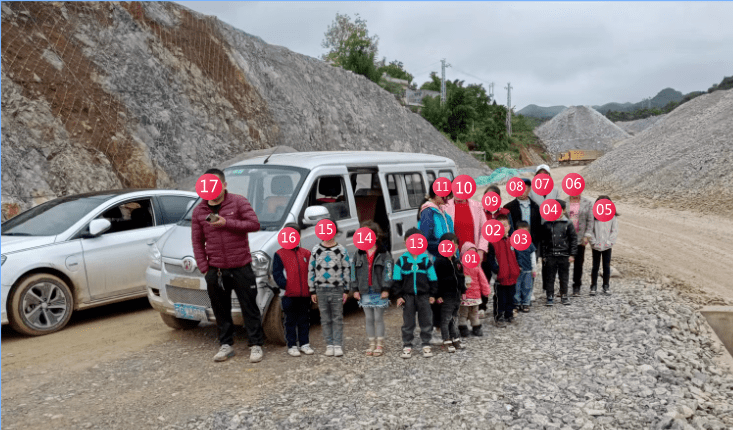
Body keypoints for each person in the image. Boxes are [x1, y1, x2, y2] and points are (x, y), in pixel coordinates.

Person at [191, 168, 265, 363]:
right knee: (220, 310)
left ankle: (256, 344)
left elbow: (254, 224)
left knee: (249, 307)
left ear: (224, 185)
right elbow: (197, 242)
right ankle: (226, 345)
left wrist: (227, 222)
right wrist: (205, 268)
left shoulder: (238, 201)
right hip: (216, 269)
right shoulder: (199, 210)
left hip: (241, 265)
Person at [392, 227, 438, 359]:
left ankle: (426, 343)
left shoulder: (425, 261)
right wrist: (399, 295)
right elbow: (396, 280)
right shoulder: (401, 261)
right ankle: (407, 344)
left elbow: (433, 278)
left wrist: (433, 295)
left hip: (424, 296)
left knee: (426, 320)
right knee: (408, 322)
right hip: (408, 297)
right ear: (405, 243)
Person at [417, 182, 454, 345]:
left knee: (442, 294)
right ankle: (430, 330)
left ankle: (440, 327)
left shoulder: (442, 211)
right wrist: (442, 249)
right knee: (433, 294)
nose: (446, 197)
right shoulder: (428, 212)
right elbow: (425, 239)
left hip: (444, 258)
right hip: (433, 259)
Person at [350, 221, 393, 357]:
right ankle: (371, 343)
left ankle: (380, 343)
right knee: (368, 318)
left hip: (379, 290)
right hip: (364, 290)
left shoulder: (384, 253)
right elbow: (353, 272)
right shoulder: (358, 254)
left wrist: (386, 288)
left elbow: (389, 271)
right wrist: (355, 289)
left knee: (378, 317)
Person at [308, 220, 350, 357]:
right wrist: (312, 289)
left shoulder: (341, 250)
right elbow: (311, 270)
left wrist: (346, 289)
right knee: (325, 318)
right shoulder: (315, 250)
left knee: (337, 317)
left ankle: (337, 344)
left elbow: (347, 269)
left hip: (337, 288)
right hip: (320, 289)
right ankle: (329, 344)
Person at [273, 223, 314, 357]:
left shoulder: (306, 253)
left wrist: (311, 288)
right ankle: (291, 345)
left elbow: (311, 272)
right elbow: (277, 274)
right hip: (288, 295)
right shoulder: (279, 254)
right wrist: (287, 286)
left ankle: (304, 344)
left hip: (304, 295)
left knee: (304, 319)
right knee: (290, 320)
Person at [540, 200, 578, 306]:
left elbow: (573, 240)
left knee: (564, 276)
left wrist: (572, 254)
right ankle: (550, 296)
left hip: (564, 255)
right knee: (550, 276)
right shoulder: (547, 223)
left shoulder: (568, 223)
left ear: (564, 210)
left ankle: (564, 295)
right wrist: (543, 255)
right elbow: (543, 241)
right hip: (550, 255)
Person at [485, 214, 521, 326]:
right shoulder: (493, 243)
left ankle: (509, 314)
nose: (502, 228)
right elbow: (491, 259)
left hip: (512, 275)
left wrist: (517, 267)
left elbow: (517, 255)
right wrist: (497, 270)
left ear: (509, 227)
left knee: (511, 296)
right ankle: (499, 316)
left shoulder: (512, 241)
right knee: (500, 298)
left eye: (505, 225)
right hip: (500, 276)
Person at [433, 233, 467, 352]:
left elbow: (461, 277)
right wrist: (437, 295)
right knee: (446, 319)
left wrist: (463, 290)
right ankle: (446, 340)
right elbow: (435, 280)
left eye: (455, 244)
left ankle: (455, 338)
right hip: (445, 296)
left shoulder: (457, 262)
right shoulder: (439, 262)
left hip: (456, 295)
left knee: (454, 318)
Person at [457, 242, 491, 337]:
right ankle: (463, 328)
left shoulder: (477, 266)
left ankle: (476, 327)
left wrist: (486, 291)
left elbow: (483, 280)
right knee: (463, 313)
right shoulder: (460, 266)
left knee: (474, 313)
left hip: (475, 295)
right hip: (464, 295)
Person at [587, 195, 619, 296]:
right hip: (596, 245)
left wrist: (609, 243)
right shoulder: (593, 216)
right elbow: (590, 230)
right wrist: (593, 242)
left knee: (606, 266)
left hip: (607, 246)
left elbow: (614, 231)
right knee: (595, 266)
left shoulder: (612, 217)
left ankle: (606, 285)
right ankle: (593, 286)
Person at [566, 192, 594, 296]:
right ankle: (563, 287)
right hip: (566, 238)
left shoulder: (587, 203)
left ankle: (576, 286)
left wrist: (587, 235)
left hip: (580, 238)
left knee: (578, 264)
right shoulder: (564, 202)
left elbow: (590, 220)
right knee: (564, 264)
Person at [513, 221, 537, 312]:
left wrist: (534, 269)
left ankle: (526, 303)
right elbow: (512, 257)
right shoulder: (513, 244)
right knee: (517, 287)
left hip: (528, 270)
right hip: (517, 271)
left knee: (527, 287)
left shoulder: (530, 245)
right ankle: (517, 303)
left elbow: (533, 257)